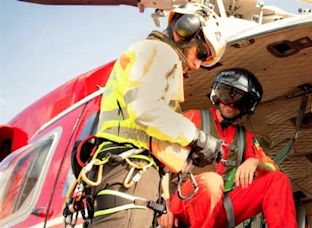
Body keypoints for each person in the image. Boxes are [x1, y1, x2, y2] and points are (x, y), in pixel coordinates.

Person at [77, 3, 227, 228]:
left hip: (130, 174)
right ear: (186, 30)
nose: (197, 64)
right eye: (202, 53)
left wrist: (185, 155)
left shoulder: (150, 55)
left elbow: (150, 128)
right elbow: (146, 109)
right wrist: (197, 138)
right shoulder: (159, 52)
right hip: (129, 172)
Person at [158, 68, 298, 228]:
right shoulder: (192, 119)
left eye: (241, 101)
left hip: (222, 208)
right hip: (184, 203)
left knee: (278, 180)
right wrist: (164, 205)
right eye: (227, 95)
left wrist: (255, 163)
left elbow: (274, 170)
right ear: (216, 94)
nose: (231, 104)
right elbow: (159, 160)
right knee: (212, 181)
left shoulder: (245, 138)